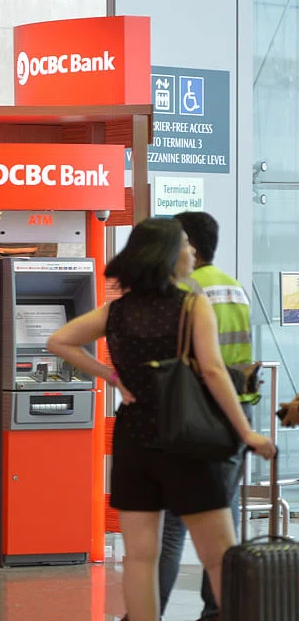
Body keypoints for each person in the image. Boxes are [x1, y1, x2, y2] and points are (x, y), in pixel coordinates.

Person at [46, 218, 275, 621]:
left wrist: (112, 377)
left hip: (134, 439)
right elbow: (214, 371)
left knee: (140, 557)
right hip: (189, 440)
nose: (191, 251)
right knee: (219, 556)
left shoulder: (116, 311)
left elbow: (58, 341)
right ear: (168, 255)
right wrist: (246, 431)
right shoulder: (191, 306)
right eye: (184, 245)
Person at [152, 211, 262, 621]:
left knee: (173, 525)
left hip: (194, 414)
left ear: (191, 247)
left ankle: (150, 611)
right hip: (236, 410)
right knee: (225, 514)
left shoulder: (186, 289)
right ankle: (218, 610)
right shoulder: (234, 287)